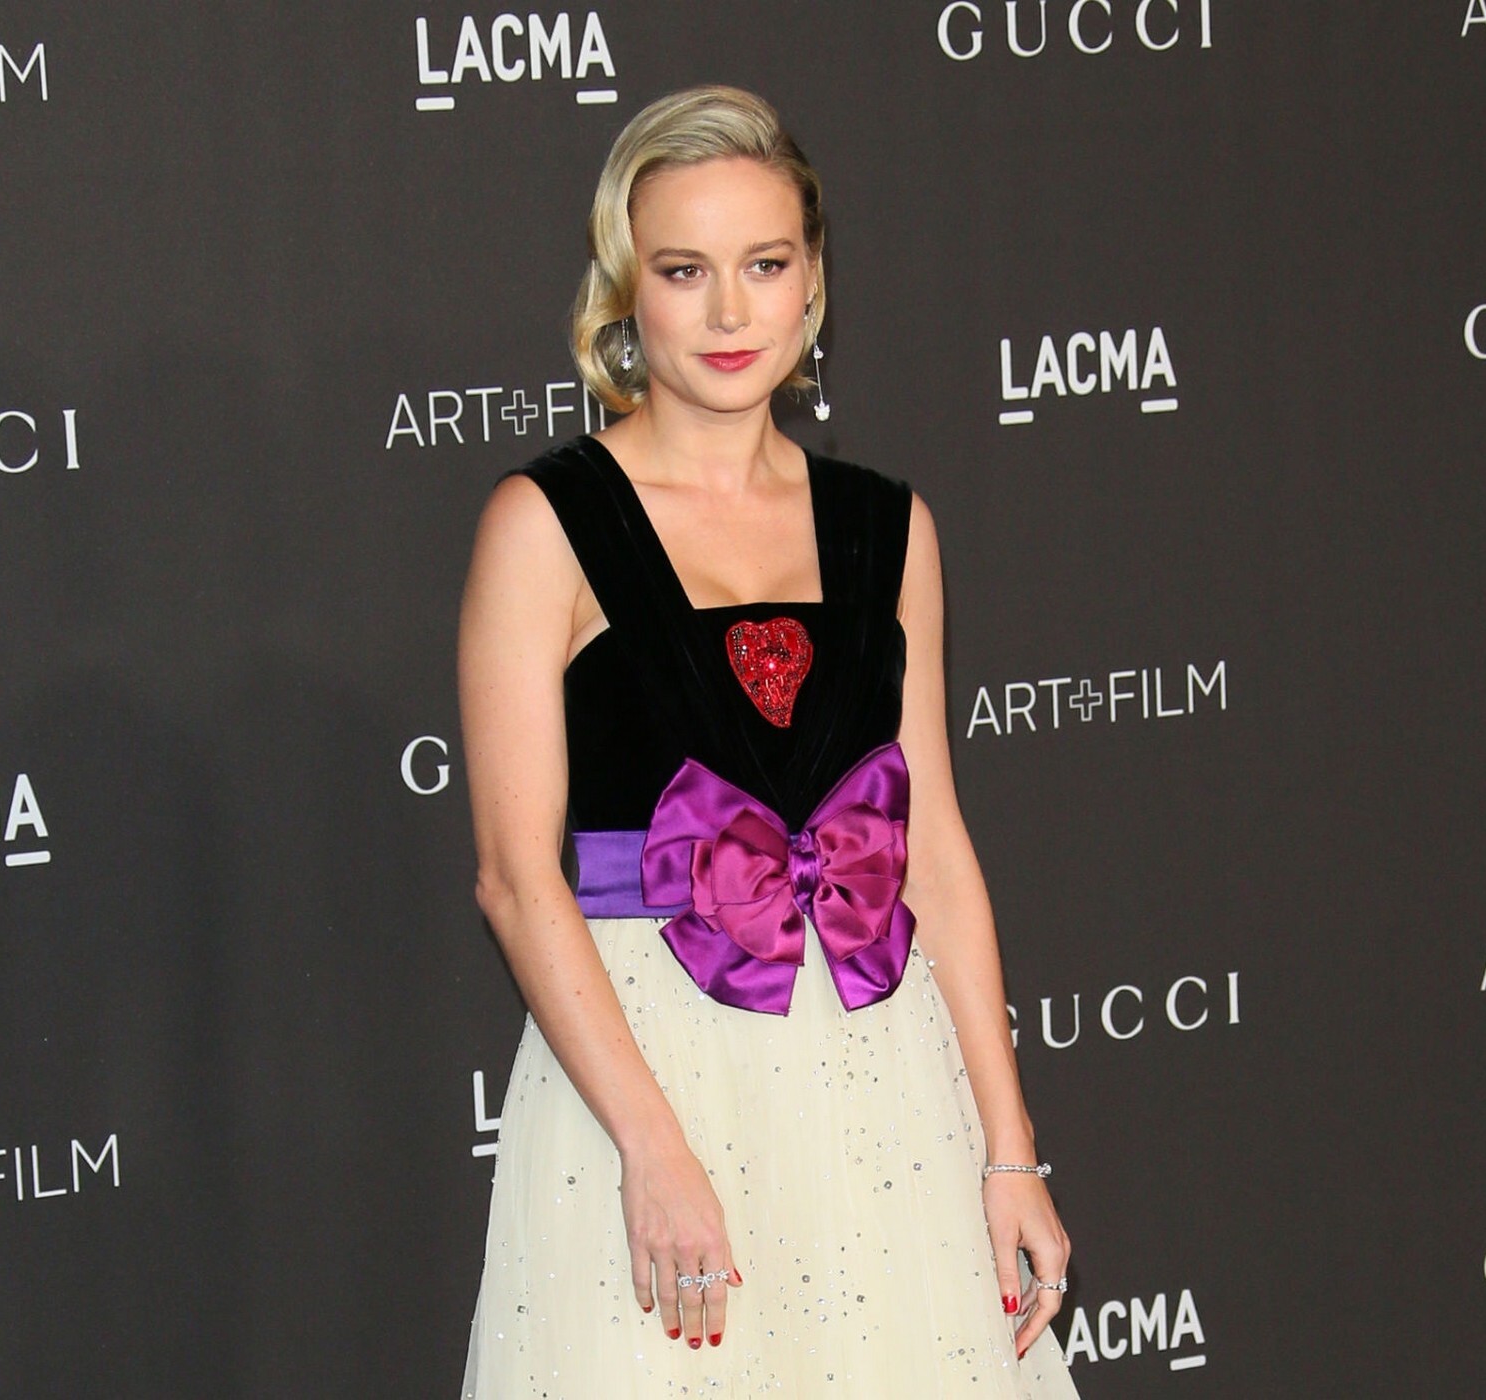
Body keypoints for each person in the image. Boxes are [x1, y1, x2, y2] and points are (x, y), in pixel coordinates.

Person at [457, 85, 1079, 1396]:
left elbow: (932, 853)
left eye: (765, 265)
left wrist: (1007, 1148)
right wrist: (651, 1147)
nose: (730, 314)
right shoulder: (546, 523)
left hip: (878, 1076)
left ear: (812, 286)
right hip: (646, 1069)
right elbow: (517, 878)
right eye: (685, 271)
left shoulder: (889, 527)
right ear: (626, 291)